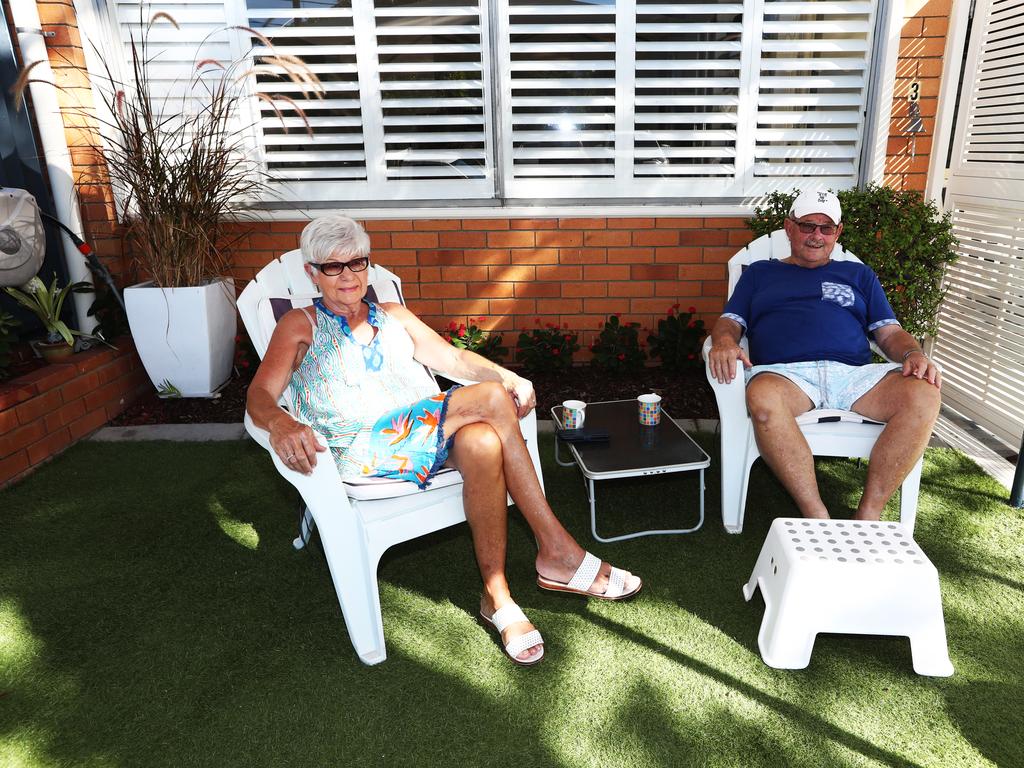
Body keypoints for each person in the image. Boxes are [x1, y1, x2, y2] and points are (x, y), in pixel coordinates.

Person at [246, 215, 641, 667]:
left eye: (357, 263)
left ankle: (497, 597)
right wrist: (279, 423)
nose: (349, 277)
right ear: (311, 273)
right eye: (333, 267)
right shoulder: (300, 324)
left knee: (482, 444)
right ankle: (556, 550)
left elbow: (453, 357)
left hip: (422, 434)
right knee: (491, 399)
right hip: (362, 447)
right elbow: (259, 395)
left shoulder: (393, 315)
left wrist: (507, 374)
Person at [707, 190, 941, 521]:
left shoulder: (860, 276)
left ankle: (869, 515)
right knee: (762, 398)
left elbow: (888, 332)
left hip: (854, 376)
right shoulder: (759, 273)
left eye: (826, 228)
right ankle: (817, 516)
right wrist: (724, 343)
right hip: (786, 375)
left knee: (924, 395)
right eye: (807, 226)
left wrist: (913, 352)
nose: (817, 235)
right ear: (789, 228)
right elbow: (730, 322)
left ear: (838, 233)